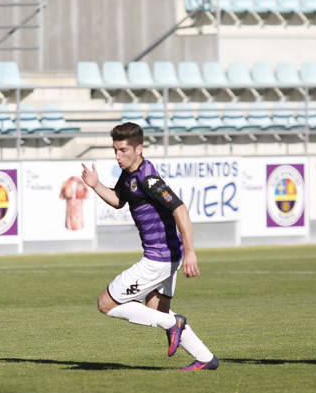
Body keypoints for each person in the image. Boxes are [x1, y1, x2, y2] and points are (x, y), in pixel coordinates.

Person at [81, 122, 218, 371]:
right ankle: (205, 358)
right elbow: (118, 201)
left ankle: (173, 324)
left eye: (123, 150)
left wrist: (191, 251)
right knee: (156, 309)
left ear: (139, 149)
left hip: (159, 258)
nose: (117, 156)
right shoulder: (129, 175)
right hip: (168, 256)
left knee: (106, 304)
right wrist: (96, 185)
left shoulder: (149, 179)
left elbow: (180, 208)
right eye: (115, 150)